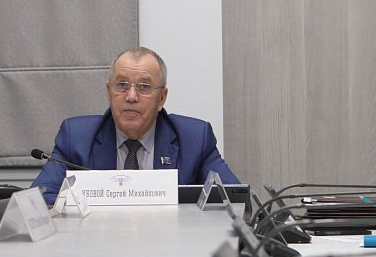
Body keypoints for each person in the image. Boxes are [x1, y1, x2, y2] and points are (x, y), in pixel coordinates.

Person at [32, 47, 240, 204]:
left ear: (162, 98)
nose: (131, 96)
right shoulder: (76, 137)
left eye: (144, 87)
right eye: (122, 85)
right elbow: (39, 200)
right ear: (109, 92)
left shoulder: (194, 138)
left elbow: (234, 199)